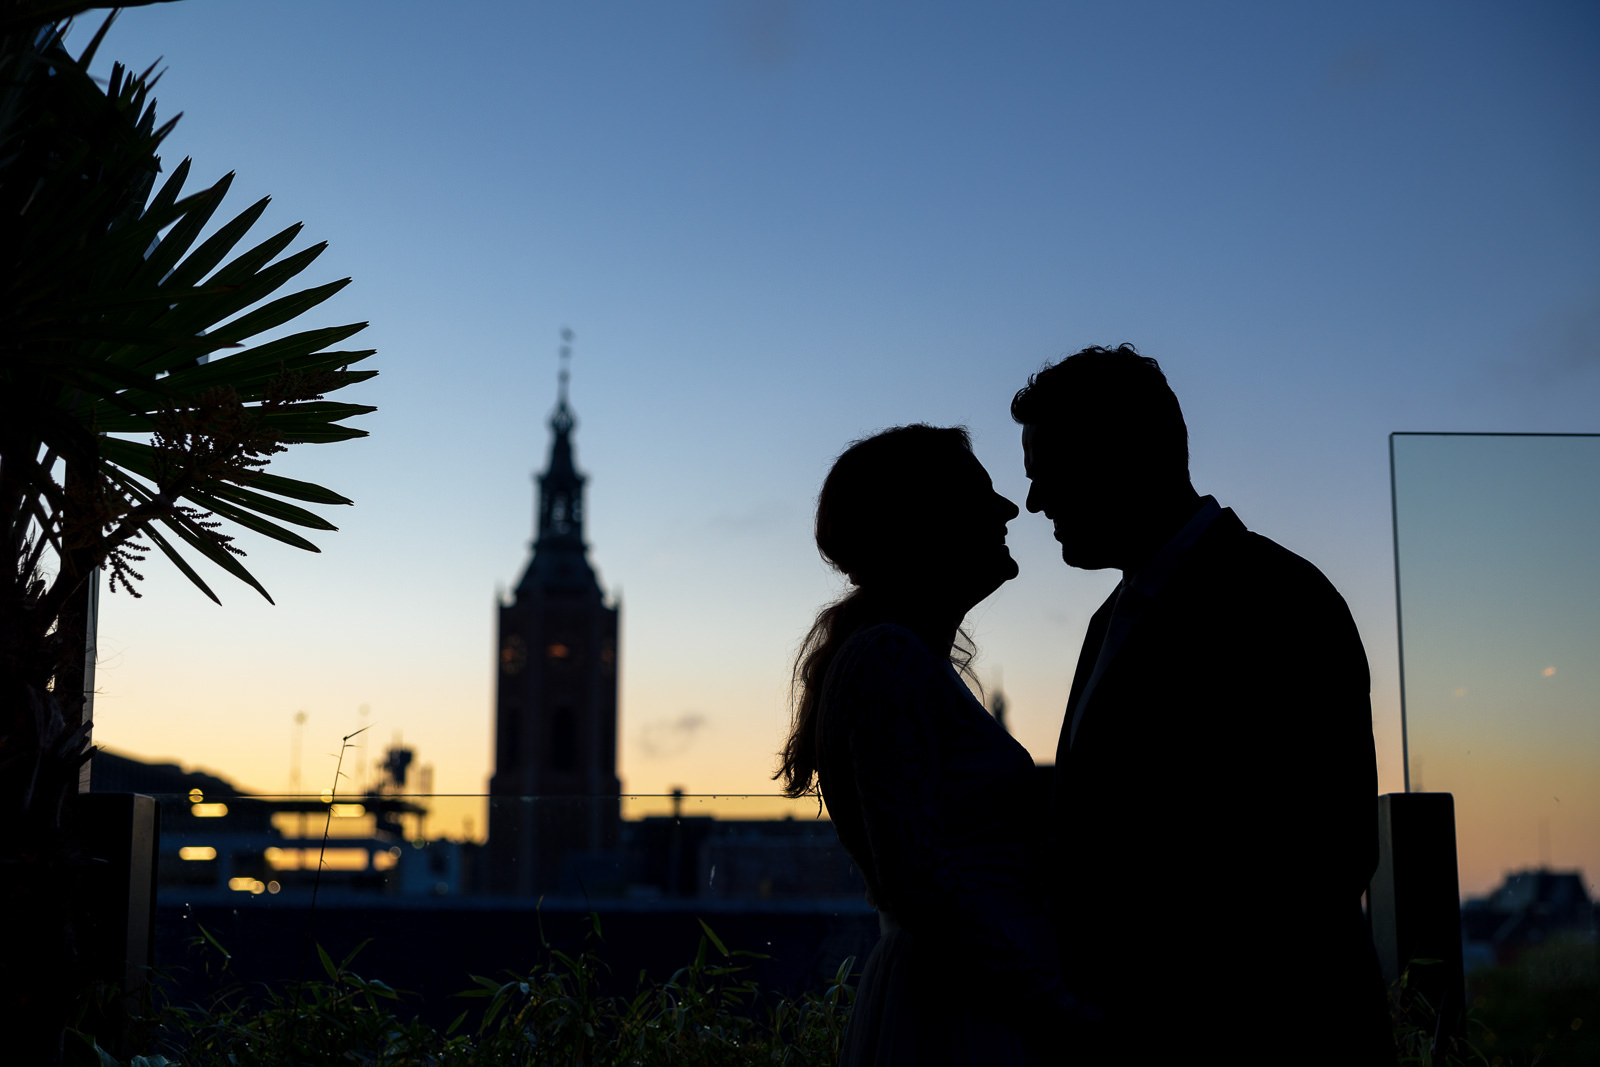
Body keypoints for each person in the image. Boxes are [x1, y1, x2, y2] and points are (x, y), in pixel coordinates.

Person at [1011, 345, 1394, 1062]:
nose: (1036, 502)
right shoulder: (1116, 616)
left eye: (1048, 473)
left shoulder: (1278, 600)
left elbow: (1327, 851)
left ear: (1118, 455)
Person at [776, 424, 1093, 1066]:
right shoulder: (892, 659)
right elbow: (920, 885)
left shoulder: (897, 658)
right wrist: (1059, 1010)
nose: (1009, 509)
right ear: (925, 524)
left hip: (964, 998)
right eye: (982, 495)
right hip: (967, 1014)